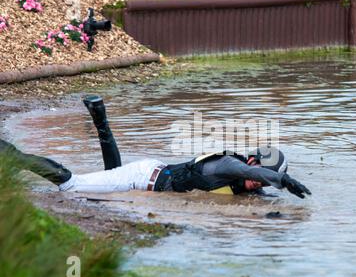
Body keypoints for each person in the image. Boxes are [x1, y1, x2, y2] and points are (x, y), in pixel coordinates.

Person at [0, 96, 311, 199]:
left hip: (151, 173)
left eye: (264, 177)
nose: (257, 180)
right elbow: (243, 172)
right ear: (252, 159)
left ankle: (100, 118)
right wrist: (281, 180)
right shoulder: (228, 165)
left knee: (110, 177)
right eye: (260, 172)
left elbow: (259, 195)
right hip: (144, 176)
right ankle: (12, 155)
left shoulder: (248, 185)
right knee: (72, 186)